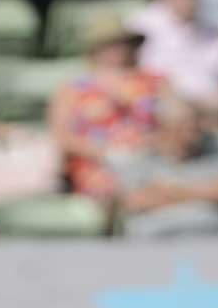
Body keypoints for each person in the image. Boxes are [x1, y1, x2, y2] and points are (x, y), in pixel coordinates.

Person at [48, 13, 166, 199]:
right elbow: (61, 136)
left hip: (152, 158)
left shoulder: (156, 81)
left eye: (123, 43)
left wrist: (151, 147)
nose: (118, 50)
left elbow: (177, 121)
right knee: (111, 190)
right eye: (111, 44)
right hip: (97, 163)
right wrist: (107, 153)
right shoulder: (73, 88)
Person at [113, 97, 218, 238]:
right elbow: (135, 201)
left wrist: (169, 190)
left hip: (209, 230)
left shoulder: (214, 152)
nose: (194, 130)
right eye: (185, 124)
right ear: (165, 127)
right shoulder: (141, 157)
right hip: (155, 235)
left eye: (195, 123)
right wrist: (202, 192)